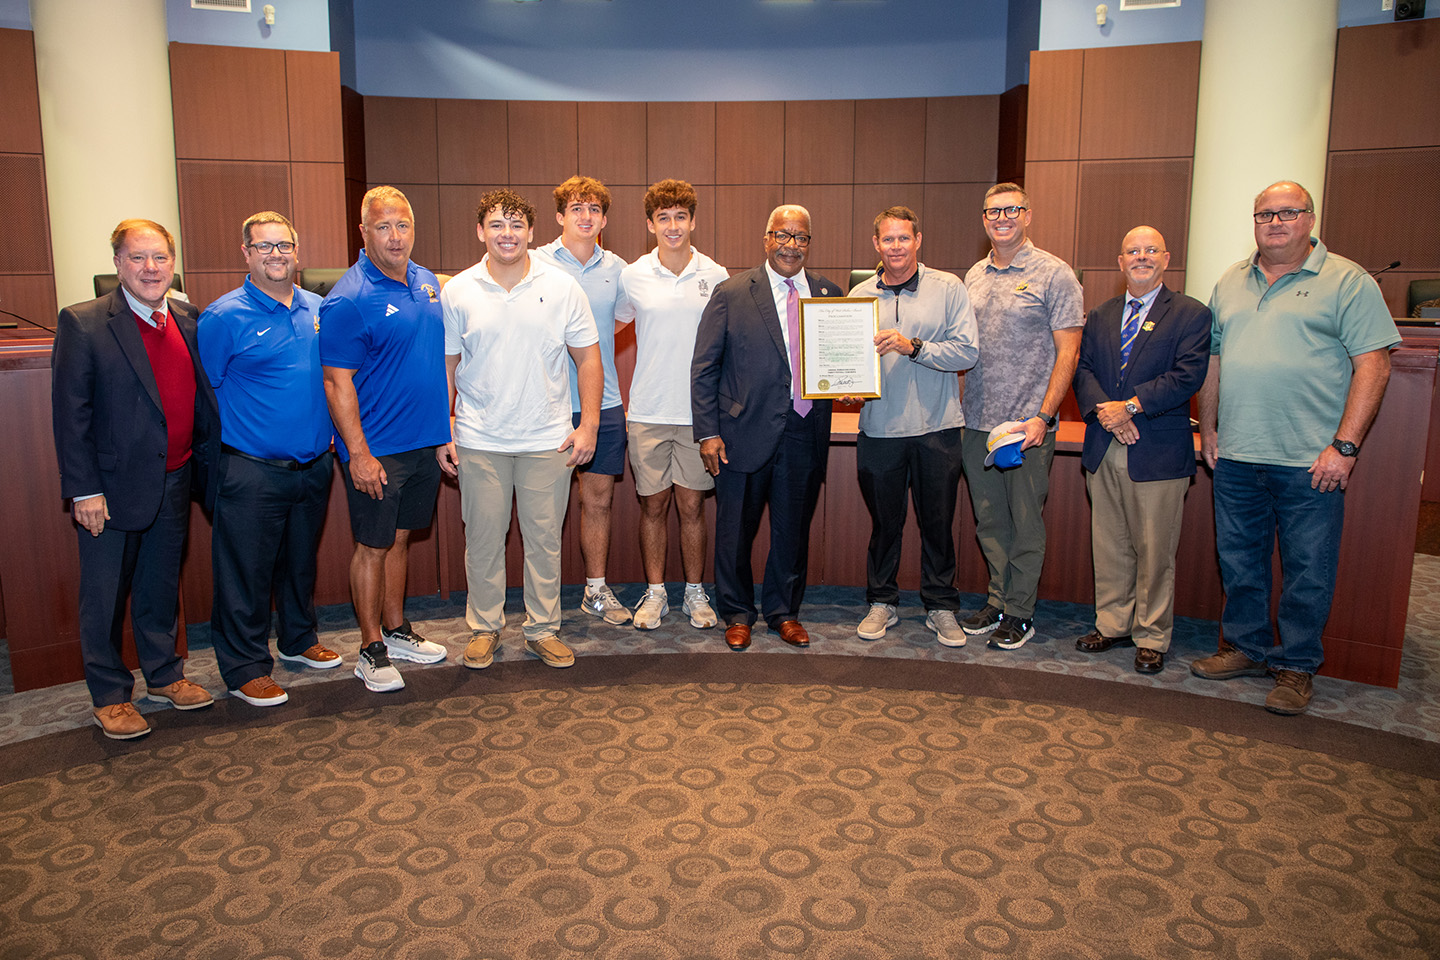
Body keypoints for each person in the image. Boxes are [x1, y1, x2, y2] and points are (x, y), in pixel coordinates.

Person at [1193, 181, 1399, 714]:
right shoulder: (1231, 281)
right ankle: (1245, 646)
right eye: (1265, 214)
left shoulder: (1346, 280)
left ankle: (1296, 666)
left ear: (1310, 218)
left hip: (1312, 460)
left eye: (1289, 212)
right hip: (1237, 453)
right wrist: (1209, 428)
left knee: (1308, 567)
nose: (1275, 221)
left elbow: (1373, 363)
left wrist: (1345, 447)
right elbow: (1215, 360)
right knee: (1239, 559)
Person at [51, 219, 218, 739]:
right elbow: (71, 414)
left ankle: (164, 675)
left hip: (174, 477)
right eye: (138, 258)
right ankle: (109, 694)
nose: (151, 268)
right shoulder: (85, 323)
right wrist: (84, 489)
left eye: (160, 258)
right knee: (104, 595)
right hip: (110, 487)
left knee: (159, 586)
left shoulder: (189, 319)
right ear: (118, 265)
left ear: (173, 263)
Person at [438, 189, 602, 670]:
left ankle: (542, 628)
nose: (506, 234)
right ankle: (484, 627)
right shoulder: (459, 290)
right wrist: (443, 426)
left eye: (515, 226)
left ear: (532, 233)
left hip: (546, 439)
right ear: (480, 232)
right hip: (478, 439)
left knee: (544, 541)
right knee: (484, 539)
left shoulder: (563, 286)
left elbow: (588, 358)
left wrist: (588, 423)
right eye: (495, 225)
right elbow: (446, 365)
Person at [198, 212, 338, 707]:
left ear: (297, 252)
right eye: (264, 247)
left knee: (300, 564)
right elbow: (206, 398)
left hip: (314, 466)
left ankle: (298, 640)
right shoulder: (222, 317)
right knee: (245, 574)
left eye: (284, 245)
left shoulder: (320, 308)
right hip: (251, 470)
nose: (275, 254)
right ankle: (243, 667)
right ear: (246, 254)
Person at [691, 205, 841, 651]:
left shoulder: (830, 295)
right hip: (741, 433)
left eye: (800, 238)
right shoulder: (732, 292)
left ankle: (783, 613)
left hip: (804, 430)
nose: (791, 245)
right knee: (735, 530)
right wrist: (707, 432)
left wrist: (851, 379)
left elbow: (837, 363)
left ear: (809, 243)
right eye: (782, 235)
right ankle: (736, 613)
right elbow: (703, 369)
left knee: (792, 531)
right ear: (766, 238)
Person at [320, 186, 451, 693]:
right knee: (372, 546)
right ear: (363, 232)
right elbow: (336, 383)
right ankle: (370, 647)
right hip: (376, 449)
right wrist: (358, 453)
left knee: (399, 538)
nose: (395, 237)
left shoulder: (425, 282)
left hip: (422, 444)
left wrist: (443, 433)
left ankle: (396, 631)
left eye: (402, 226)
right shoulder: (348, 300)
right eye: (383, 227)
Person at [1072, 226, 1210, 674]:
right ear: (1120, 261)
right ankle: (1112, 624)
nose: (1142, 257)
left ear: (1166, 258)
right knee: (1109, 543)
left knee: (1154, 549)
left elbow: (1188, 375)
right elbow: (1084, 370)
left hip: (1157, 449)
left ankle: (1152, 635)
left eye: (1151, 250)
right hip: (1104, 444)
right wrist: (1107, 413)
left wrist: (1129, 407)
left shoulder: (1190, 314)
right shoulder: (1102, 314)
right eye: (1133, 250)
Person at [960, 183, 1084, 651]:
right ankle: (997, 600)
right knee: (989, 521)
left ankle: (1021, 611)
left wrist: (1044, 417)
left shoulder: (1055, 274)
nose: (1002, 217)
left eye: (1012, 209)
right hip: (977, 423)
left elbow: (1067, 351)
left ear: (1028, 215)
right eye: (993, 211)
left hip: (1025, 426)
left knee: (1026, 521)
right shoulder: (974, 274)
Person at [849, 207, 978, 646]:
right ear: (876, 245)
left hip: (936, 429)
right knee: (885, 525)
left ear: (918, 240)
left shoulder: (948, 288)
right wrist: (843, 385)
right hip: (880, 429)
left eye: (904, 238)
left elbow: (967, 353)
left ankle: (941, 606)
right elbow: (845, 363)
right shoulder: (858, 296)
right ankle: (882, 601)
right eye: (888, 240)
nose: (896, 247)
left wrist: (914, 346)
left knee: (937, 524)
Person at [615, 179, 729, 631]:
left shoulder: (716, 275)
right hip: (646, 412)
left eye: (681, 216)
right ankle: (657, 592)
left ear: (693, 220)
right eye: (663, 217)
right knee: (652, 507)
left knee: (692, 508)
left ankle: (695, 594)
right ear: (650, 224)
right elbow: (609, 329)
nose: (673, 225)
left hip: (698, 416)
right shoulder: (633, 275)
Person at [532, 175, 631, 626]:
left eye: (593, 209)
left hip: (604, 403)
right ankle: (542, 599)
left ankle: (595, 590)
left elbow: (617, 324)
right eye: (576, 208)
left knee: (599, 501)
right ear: (559, 216)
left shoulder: (619, 269)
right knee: (542, 508)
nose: (585, 216)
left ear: (604, 218)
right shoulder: (533, 262)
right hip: (545, 404)